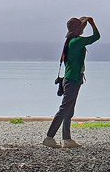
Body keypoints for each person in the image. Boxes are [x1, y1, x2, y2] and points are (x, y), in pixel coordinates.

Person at [43, 16, 100, 148]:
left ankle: (66, 139)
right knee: (64, 109)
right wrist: (92, 23)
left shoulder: (71, 41)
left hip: (72, 79)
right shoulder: (76, 42)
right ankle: (49, 137)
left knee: (69, 110)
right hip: (72, 79)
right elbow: (96, 37)